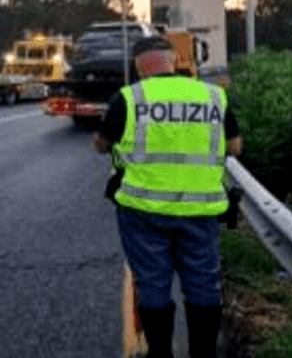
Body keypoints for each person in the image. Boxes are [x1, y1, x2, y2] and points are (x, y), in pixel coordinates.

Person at [92, 36, 243, 358]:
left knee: (152, 284)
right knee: (203, 285)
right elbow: (234, 148)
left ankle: (160, 353)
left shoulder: (129, 98)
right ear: (174, 60)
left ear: (138, 66)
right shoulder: (214, 96)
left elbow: (102, 145)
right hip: (201, 209)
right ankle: (203, 353)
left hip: (143, 210)